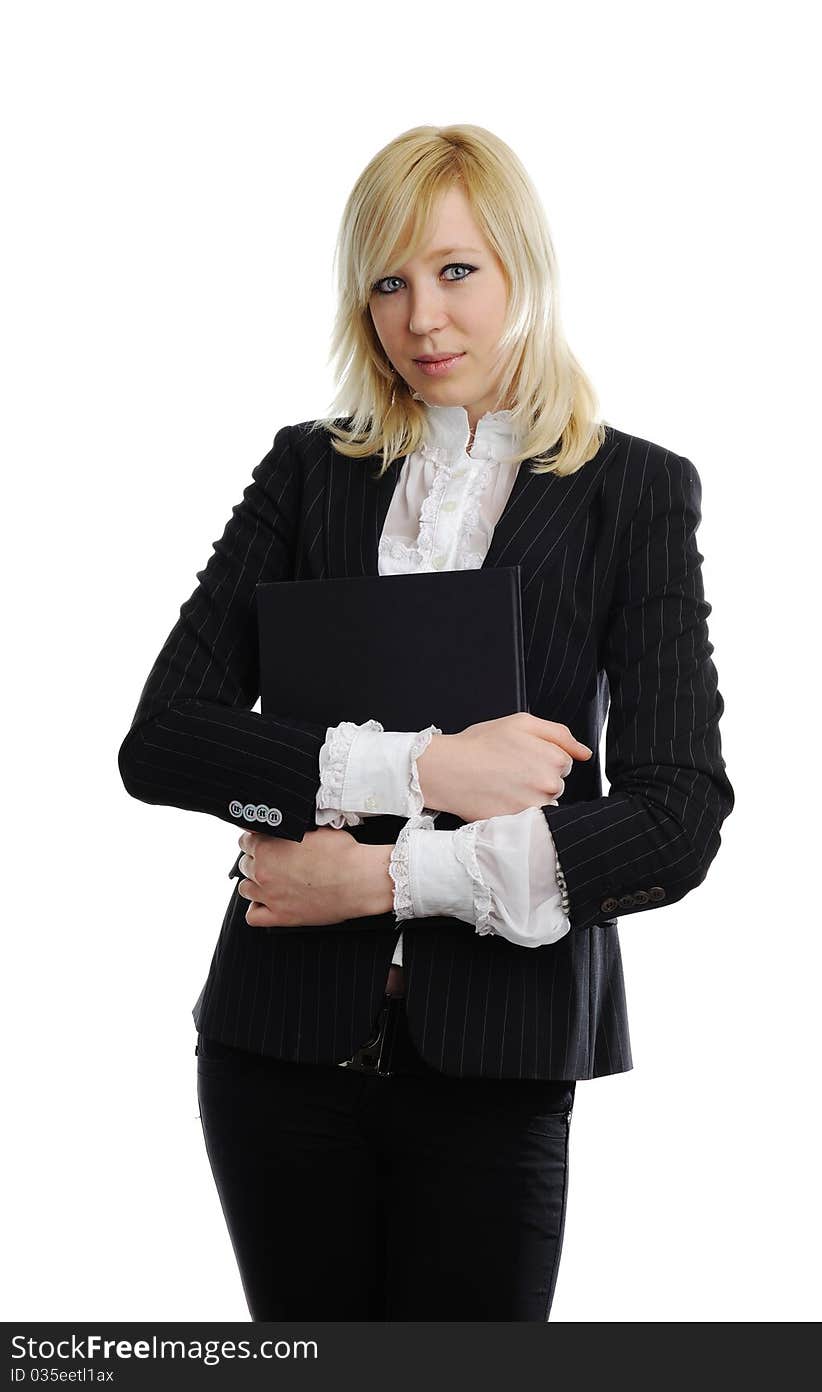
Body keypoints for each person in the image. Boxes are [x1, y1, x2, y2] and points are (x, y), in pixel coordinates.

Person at [117, 123, 735, 1322]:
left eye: (456, 271)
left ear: (521, 270)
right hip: (273, 1049)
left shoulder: (633, 489)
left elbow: (674, 822)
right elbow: (166, 741)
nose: (422, 319)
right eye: (388, 283)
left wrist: (385, 878)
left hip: (496, 1061)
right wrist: (426, 763)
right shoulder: (310, 470)